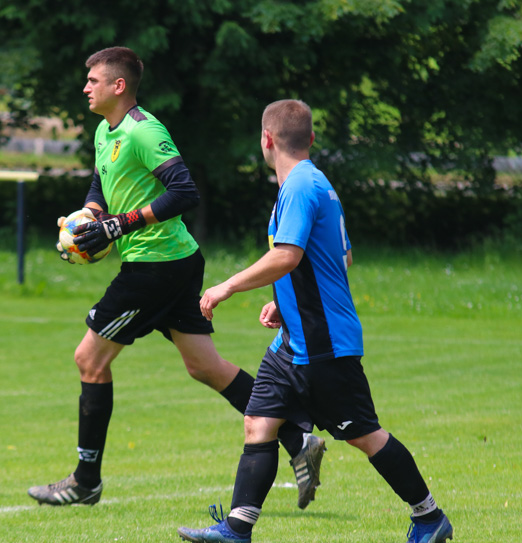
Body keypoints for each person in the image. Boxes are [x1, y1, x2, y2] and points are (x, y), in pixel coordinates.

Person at [28, 47, 323, 508]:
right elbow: (100, 184)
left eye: (93, 80)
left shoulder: (145, 130)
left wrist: (121, 224)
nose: (86, 87)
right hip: (172, 262)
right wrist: (89, 215)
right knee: (205, 367)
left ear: (118, 86)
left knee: (90, 359)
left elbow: (185, 192)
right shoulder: (107, 132)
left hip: (156, 265)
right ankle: (297, 437)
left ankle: (86, 482)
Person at [176, 99, 453, 543]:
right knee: (258, 423)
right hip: (293, 340)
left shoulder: (302, 185)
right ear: (311, 138)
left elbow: (288, 255)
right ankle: (237, 528)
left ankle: (429, 516)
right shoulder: (310, 183)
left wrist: (225, 287)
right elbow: (338, 256)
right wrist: (284, 306)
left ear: (267, 139)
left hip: (324, 344)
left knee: (364, 435)